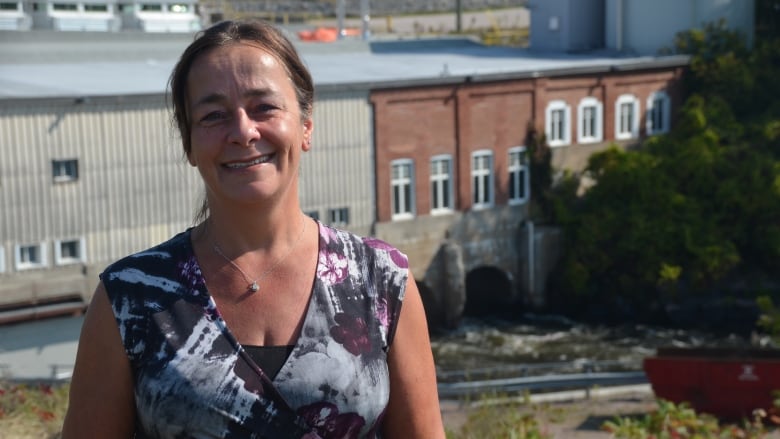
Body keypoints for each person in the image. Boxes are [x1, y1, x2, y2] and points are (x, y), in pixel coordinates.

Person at [62, 19, 445, 438]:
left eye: (264, 107)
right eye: (213, 115)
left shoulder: (382, 280)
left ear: (306, 126)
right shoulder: (130, 296)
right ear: (189, 145)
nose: (243, 131)